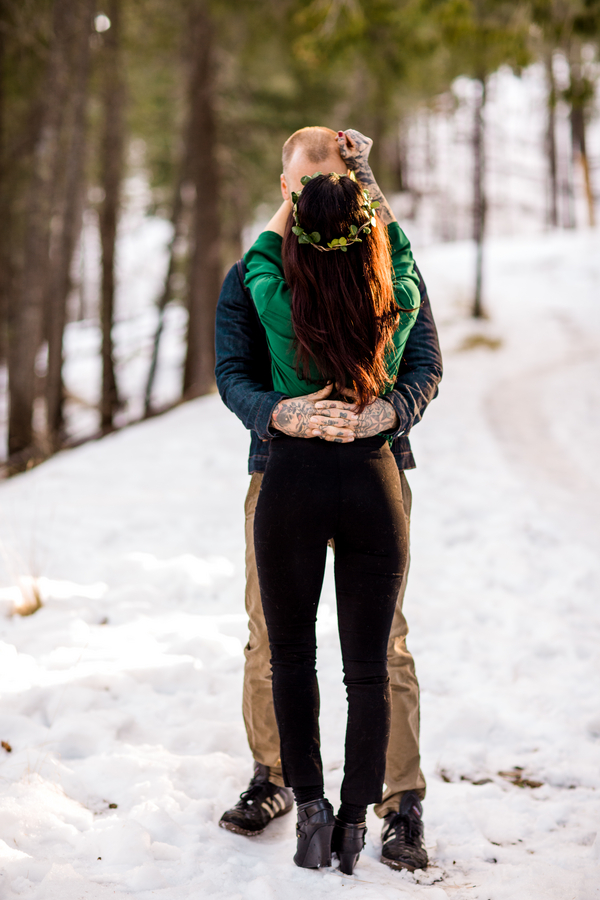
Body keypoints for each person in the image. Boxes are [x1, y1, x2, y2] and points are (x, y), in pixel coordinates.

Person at [215, 126, 443, 873]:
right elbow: (232, 371)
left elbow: (427, 363)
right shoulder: (283, 274)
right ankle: (274, 775)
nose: (309, 189)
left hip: (374, 463)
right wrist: (279, 413)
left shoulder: (324, 267)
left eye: (328, 176)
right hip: (277, 466)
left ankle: (398, 798)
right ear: (284, 185)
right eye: (301, 179)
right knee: (270, 635)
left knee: (382, 643)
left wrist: (389, 411)